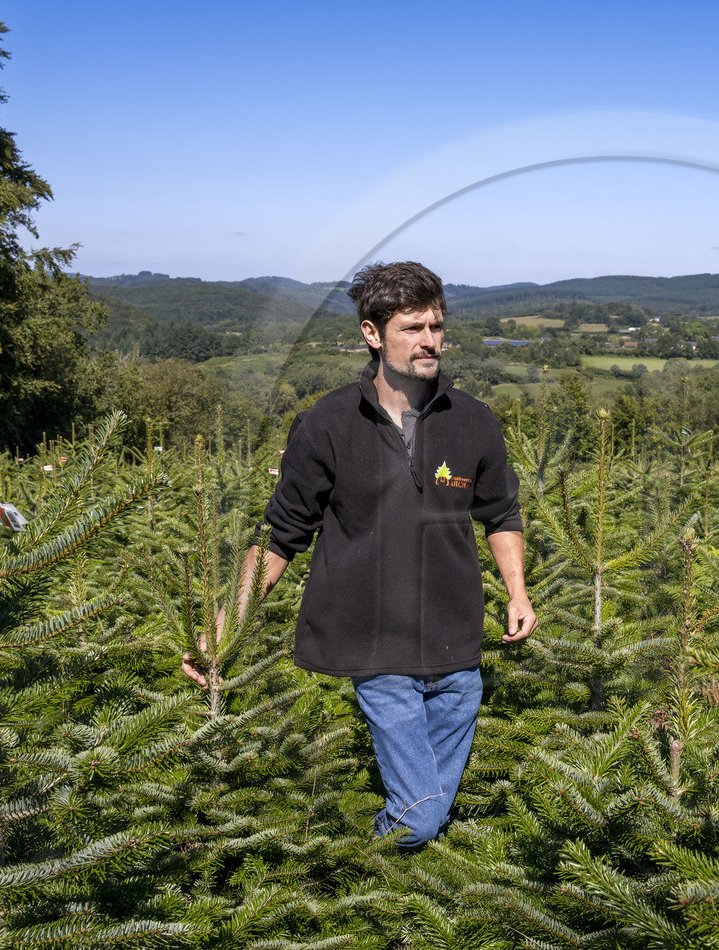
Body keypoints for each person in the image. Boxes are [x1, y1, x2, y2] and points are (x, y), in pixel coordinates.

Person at [183, 260, 537, 849]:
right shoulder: (327, 425)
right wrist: (227, 620)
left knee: (429, 813)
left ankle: (389, 909)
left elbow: (501, 513)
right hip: (377, 647)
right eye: (413, 328)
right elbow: (280, 534)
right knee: (422, 815)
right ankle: (342, 861)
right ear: (373, 334)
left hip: (458, 648)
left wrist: (518, 591)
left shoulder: (472, 421)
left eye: (437, 326)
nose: (430, 341)